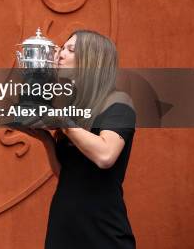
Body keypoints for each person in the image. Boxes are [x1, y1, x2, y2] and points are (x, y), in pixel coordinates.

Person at [20, 30, 136, 249]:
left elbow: (105, 156)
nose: (61, 54)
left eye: (71, 50)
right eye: (62, 48)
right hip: (63, 225)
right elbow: (67, 175)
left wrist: (62, 122)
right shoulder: (74, 109)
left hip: (101, 229)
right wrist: (47, 141)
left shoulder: (118, 103)